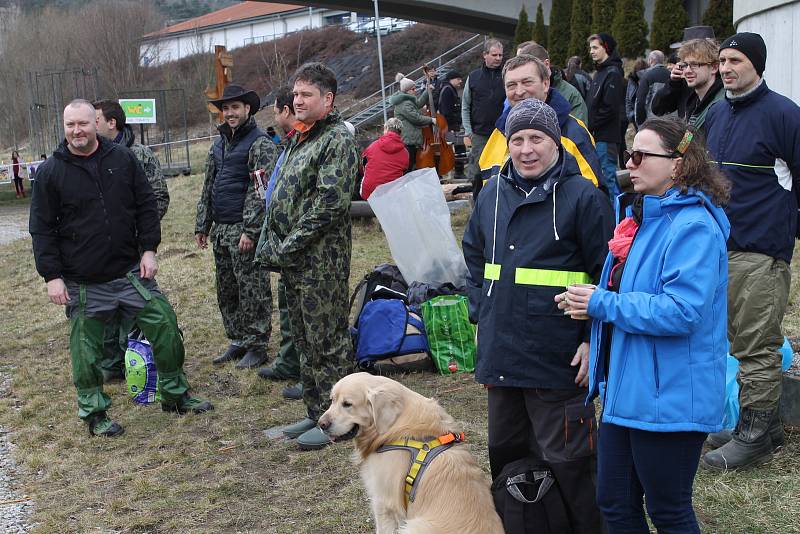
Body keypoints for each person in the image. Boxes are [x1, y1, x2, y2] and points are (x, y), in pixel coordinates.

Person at [561, 116, 730, 532]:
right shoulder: (641, 220)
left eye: (639, 155)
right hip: (629, 391)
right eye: (627, 155)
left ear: (677, 164)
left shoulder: (694, 228)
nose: (629, 165)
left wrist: (604, 304)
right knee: (614, 502)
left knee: (668, 509)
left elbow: (682, 311)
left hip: (670, 396)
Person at [462, 98, 611, 533]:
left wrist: (591, 339)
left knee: (571, 463)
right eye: (518, 140)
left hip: (558, 358)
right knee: (508, 460)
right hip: (502, 355)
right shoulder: (491, 195)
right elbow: (474, 257)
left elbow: (609, 274)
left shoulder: (584, 197)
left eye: (537, 139)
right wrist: (481, 314)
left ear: (557, 143)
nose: (527, 149)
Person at [28, 99, 212, 437]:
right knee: (85, 353)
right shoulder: (51, 172)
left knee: (165, 325)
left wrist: (149, 250)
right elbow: (41, 229)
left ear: (95, 124)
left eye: (83, 123)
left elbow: (144, 205)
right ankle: (94, 412)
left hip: (130, 272)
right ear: (64, 126)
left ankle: (174, 393)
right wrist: (52, 276)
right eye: (70, 125)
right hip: (84, 283)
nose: (77, 131)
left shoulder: (122, 158)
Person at [701, 32, 800, 471]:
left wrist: (788, 235)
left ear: (756, 64)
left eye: (735, 60)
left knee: (757, 343)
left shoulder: (784, 114)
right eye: (722, 60)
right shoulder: (717, 113)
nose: (726, 68)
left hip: (762, 250)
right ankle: (762, 425)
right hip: (719, 248)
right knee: (733, 339)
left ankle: (754, 436)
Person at [257, 62, 359, 451]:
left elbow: (328, 204)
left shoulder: (337, 140)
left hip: (320, 261)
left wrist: (290, 244)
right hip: (293, 262)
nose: (297, 101)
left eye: (306, 95)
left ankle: (342, 422)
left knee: (326, 340)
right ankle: (316, 409)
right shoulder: (301, 138)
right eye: (295, 95)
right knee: (302, 337)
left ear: (327, 99)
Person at [195, 84, 279, 370]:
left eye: (235, 107)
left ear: (247, 109)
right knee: (227, 288)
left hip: (243, 231)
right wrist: (202, 224)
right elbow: (209, 186)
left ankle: (257, 344)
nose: (230, 113)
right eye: (226, 108)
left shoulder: (260, 144)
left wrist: (251, 231)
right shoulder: (218, 144)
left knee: (252, 288)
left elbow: (261, 192)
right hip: (221, 230)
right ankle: (238, 339)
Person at [92, 99, 171, 382]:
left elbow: (158, 198)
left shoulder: (139, 155)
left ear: (111, 123)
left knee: (136, 308)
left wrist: (141, 235)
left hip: (135, 248)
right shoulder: (92, 158)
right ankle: (111, 363)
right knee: (106, 308)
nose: (92, 125)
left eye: (96, 119)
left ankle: (136, 360)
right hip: (104, 252)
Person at [478, 54, 602, 189]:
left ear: (545, 84)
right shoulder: (498, 134)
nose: (519, 92)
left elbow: (592, 196)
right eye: (512, 85)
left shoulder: (573, 132)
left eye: (527, 82)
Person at [256, 86, 303, 401]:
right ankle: (289, 359)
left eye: (276, 110)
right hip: (283, 237)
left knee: (301, 310)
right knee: (287, 302)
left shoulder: (308, 143)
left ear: (286, 111)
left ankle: (304, 368)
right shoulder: (290, 143)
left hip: (297, 241)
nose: (275, 116)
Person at [651, 37, 725, 134]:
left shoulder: (723, 103)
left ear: (714, 67)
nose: (688, 71)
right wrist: (680, 149)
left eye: (695, 64)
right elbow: (690, 136)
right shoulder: (694, 102)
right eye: (685, 65)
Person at [462, 38, 505, 198]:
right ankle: (477, 209)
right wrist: (468, 130)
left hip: (502, 133)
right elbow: (465, 105)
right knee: (478, 174)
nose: (498, 58)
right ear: (484, 55)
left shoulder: (506, 75)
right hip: (480, 134)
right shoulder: (473, 77)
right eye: (494, 55)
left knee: (501, 172)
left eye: (501, 55)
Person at [587, 33, 626, 201]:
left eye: (595, 47)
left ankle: (615, 218)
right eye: (590, 48)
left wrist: (591, 124)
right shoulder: (601, 72)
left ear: (606, 48)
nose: (591, 51)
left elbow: (610, 108)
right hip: (598, 135)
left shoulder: (613, 73)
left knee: (608, 177)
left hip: (606, 136)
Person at [516, 40, 588, 123]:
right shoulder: (519, 92)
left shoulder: (571, 94)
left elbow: (578, 131)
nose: (528, 74)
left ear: (546, 64)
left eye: (532, 68)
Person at [389, 74, 436, 172]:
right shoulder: (404, 103)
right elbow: (416, 118)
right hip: (408, 140)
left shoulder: (407, 100)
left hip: (412, 139)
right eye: (413, 89)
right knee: (409, 167)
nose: (416, 90)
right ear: (407, 90)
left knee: (412, 166)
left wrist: (427, 92)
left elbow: (418, 104)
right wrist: (431, 120)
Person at [359, 117, 409, 200]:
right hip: (392, 195)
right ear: (400, 133)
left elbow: (362, 168)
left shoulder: (372, 146)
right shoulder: (405, 153)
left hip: (369, 193)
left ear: (386, 129)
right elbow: (404, 171)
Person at [635, 50, 670, 128]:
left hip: (651, 122)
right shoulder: (672, 76)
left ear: (650, 60)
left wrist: (640, 123)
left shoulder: (646, 76)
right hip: (669, 122)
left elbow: (640, 101)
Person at [625, 59, 648, 130]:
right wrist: (630, 115)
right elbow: (628, 98)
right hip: (635, 115)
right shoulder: (632, 80)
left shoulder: (649, 78)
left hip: (647, 116)